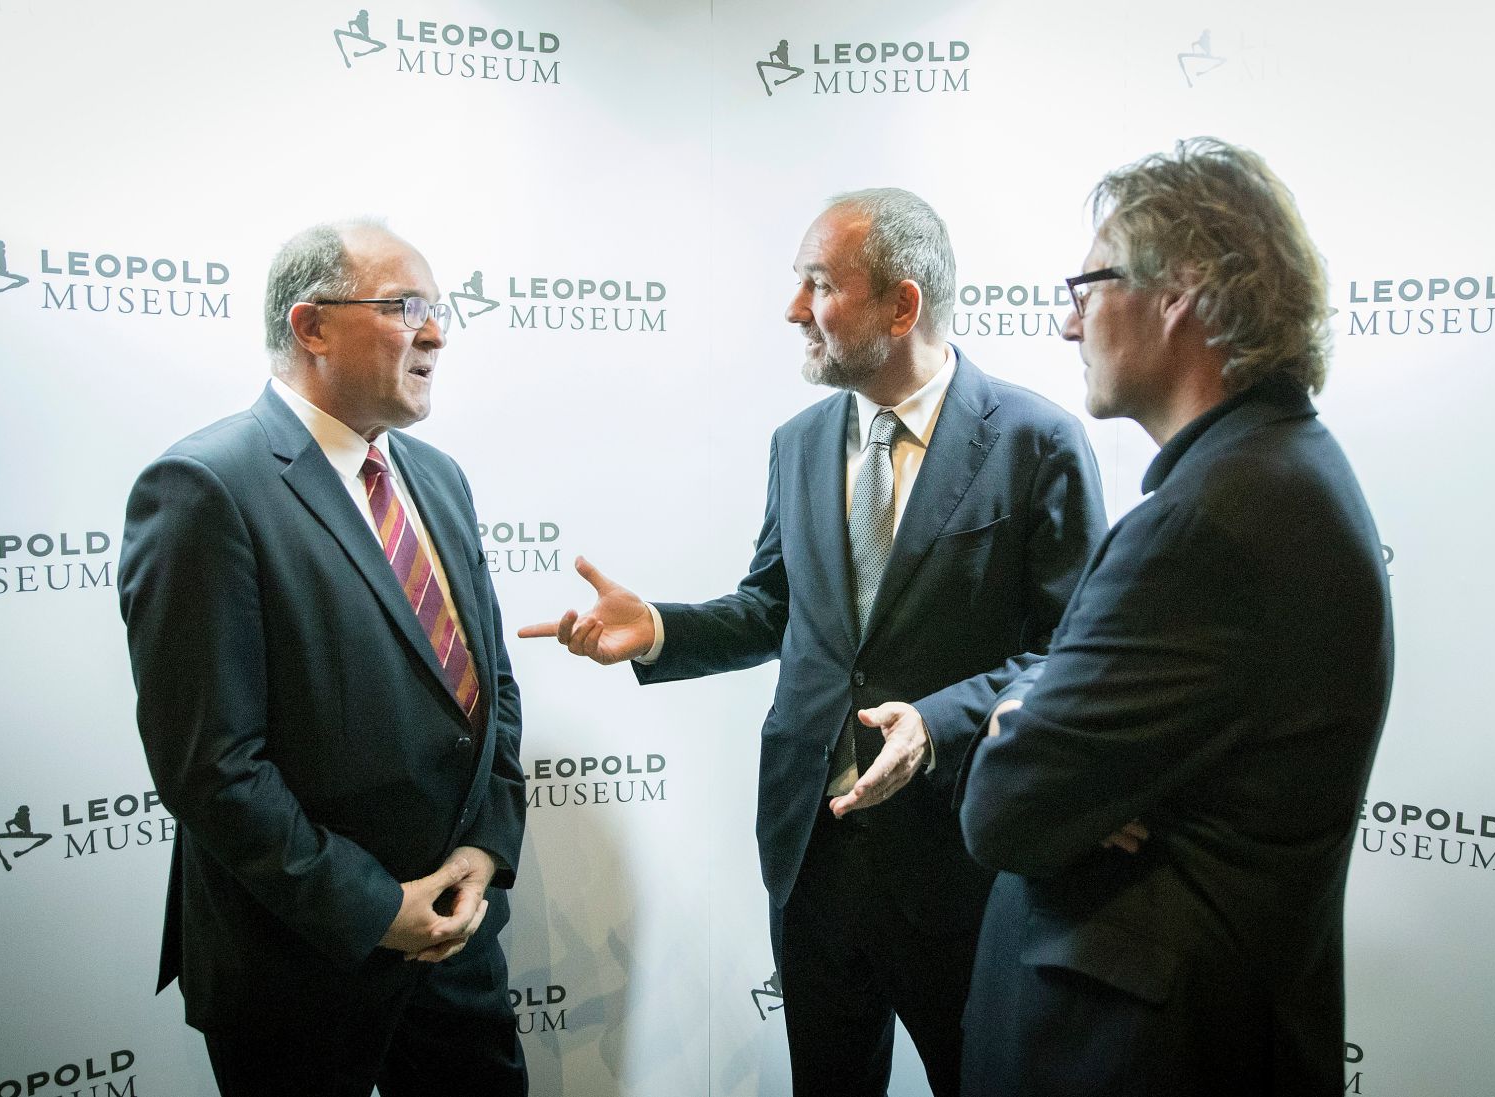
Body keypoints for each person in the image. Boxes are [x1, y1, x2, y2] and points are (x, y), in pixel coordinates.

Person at [521, 189, 1105, 1097]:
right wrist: (661, 629)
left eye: (819, 284)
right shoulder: (798, 443)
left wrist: (939, 723)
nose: (795, 308)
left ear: (902, 305)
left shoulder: (1036, 442)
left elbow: (1069, 658)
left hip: (963, 865)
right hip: (813, 862)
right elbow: (771, 608)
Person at [957, 138, 1393, 1096]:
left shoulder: (1208, 520)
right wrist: (1043, 719)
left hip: (1136, 1054)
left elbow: (1007, 808)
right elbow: (1051, 757)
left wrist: (1028, 731)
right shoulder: (1273, 470)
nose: (1070, 325)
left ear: (1179, 290)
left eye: (1088, 284)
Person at [118, 219, 527, 1097]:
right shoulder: (204, 487)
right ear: (311, 327)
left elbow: (487, 685)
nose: (437, 332)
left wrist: (486, 850)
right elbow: (213, 769)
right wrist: (380, 909)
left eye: (439, 308)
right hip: (298, 969)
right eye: (406, 306)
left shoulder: (438, 476)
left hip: (457, 951)